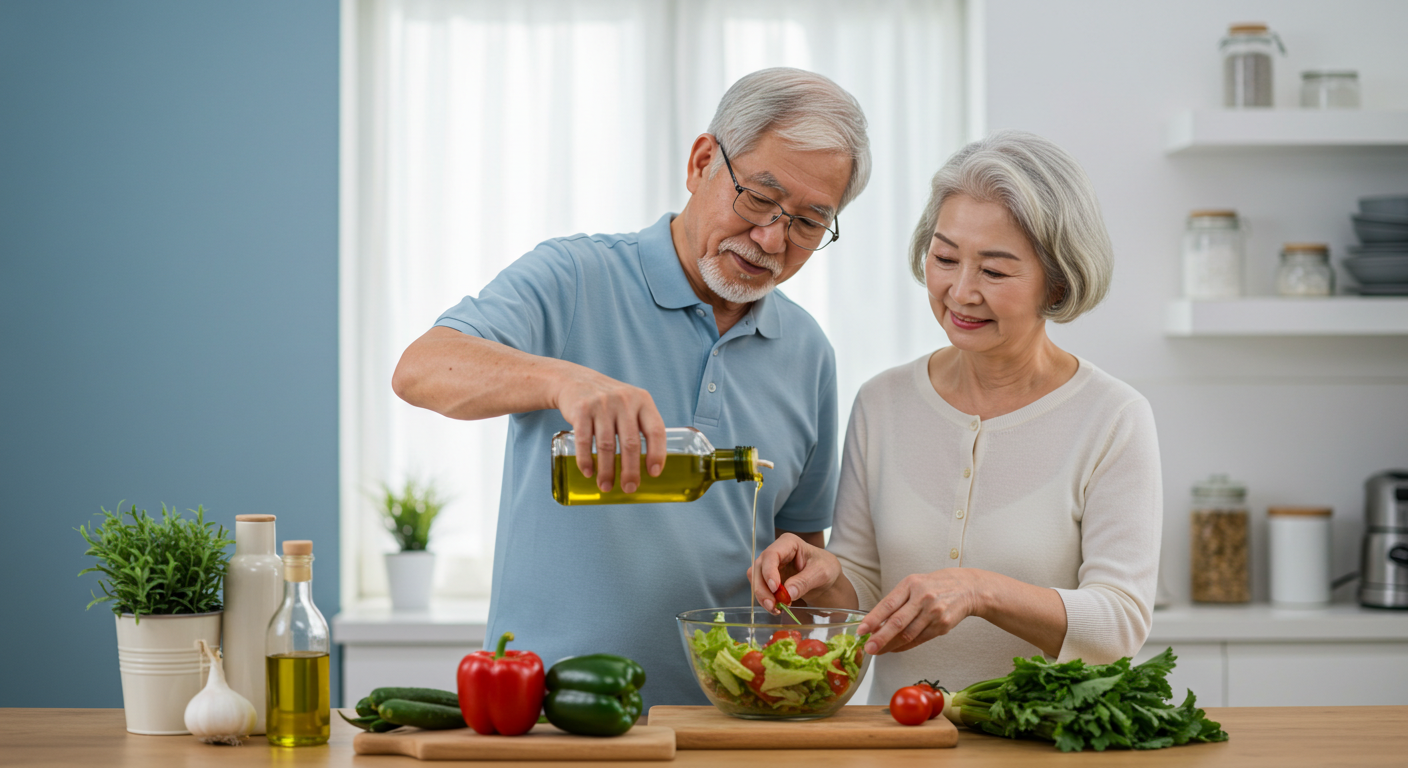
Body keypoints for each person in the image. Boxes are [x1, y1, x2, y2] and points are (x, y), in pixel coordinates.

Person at [392, 68, 871, 707]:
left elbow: (799, 566)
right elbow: (422, 369)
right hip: (549, 721)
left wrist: (820, 582)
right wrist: (564, 380)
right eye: (759, 197)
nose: (772, 240)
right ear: (704, 162)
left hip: (724, 733)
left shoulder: (808, 352)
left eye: (810, 223)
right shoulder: (572, 277)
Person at [751, 130, 1162, 700]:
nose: (960, 291)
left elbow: (1120, 625)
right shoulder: (882, 403)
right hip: (902, 742)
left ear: (1059, 281)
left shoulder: (1112, 418)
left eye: (994, 272)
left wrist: (979, 591)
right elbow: (864, 595)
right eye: (945, 258)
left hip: (1048, 746)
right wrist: (822, 577)